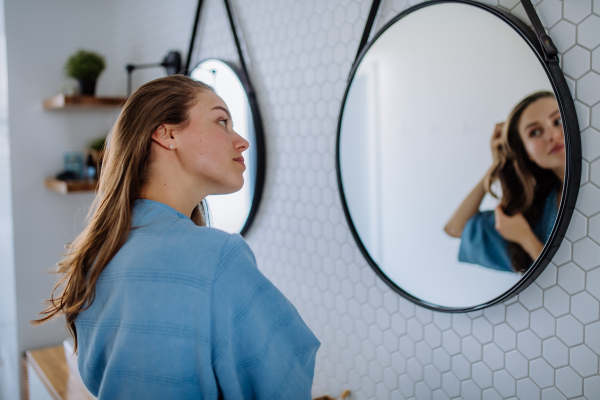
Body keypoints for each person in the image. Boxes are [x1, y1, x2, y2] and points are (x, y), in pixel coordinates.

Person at [34, 75, 320, 399]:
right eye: (222, 121)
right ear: (167, 134)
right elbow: (283, 384)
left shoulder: (99, 255)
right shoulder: (217, 258)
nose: (242, 141)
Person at [444, 91, 564, 273]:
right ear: (527, 153)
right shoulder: (539, 210)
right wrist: (497, 165)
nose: (553, 135)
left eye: (558, 121)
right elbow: (455, 228)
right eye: (535, 132)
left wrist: (525, 237)